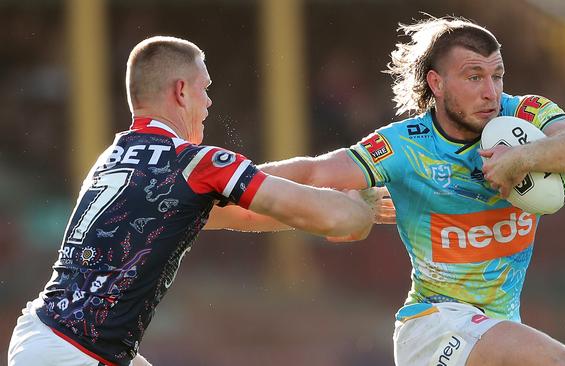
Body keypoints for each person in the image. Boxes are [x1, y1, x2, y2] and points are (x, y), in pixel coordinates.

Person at [255, 16, 565, 366]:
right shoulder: (405, 145)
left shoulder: (522, 118)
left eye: (497, 76)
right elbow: (315, 171)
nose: (490, 93)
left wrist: (521, 159)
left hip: (495, 327)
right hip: (432, 325)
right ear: (437, 83)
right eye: (473, 77)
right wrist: (230, 178)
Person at [7, 36, 376, 366]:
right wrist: (361, 207)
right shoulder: (196, 163)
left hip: (44, 335)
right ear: (181, 91)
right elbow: (341, 220)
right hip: (76, 352)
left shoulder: (114, 158)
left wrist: (331, 189)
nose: (210, 101)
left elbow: (246, 213)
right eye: (205, 88)